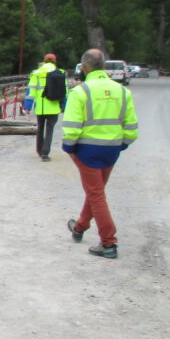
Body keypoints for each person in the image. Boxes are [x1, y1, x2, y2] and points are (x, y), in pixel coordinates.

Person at [61, 48, 138, 259]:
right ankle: (80, 227)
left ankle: (108, 242)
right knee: (95, 191)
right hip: (112, 150)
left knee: (96, 194)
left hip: (87, 150)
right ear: (104, 66)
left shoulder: (80, 92)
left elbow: (72, 128)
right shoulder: (122, 91)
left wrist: (69, 148)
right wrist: (121, 145)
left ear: (84, 68)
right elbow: (132, 129)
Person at [27, 52, 63, 161]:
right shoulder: (60, 73)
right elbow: (65, 91)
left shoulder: (36, 73)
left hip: (40, 107)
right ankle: (45, 153)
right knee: (49, 130)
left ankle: (39, 150)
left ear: (44, 61)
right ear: (55, 61)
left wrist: (27, 106)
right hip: (54, 107)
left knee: (40, 129)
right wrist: (64, 106)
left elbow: (31, 91)